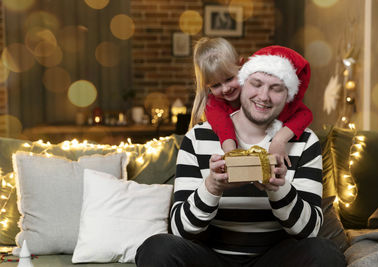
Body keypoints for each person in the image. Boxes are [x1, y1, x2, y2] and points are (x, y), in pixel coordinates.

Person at [135, 46, 346, 266]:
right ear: (243, 82)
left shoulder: (304, 141)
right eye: (256, 84)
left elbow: (310, 231)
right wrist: (212, 187)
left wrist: (278, 188)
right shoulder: (197, 138)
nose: (263, 96)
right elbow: (180, 229)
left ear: (288, 96)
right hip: (211, 258)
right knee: (157, 248)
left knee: (325, 252)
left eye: (276, 88)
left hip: (274, 258)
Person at [189, 37, 313, 166]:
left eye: (229, 78)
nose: (225, 89)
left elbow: (305, 113)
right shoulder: (213, 104)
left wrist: (279, 140)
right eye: (215, 86)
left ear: (242, 65)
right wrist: (232, 156)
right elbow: (223, 127)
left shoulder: (259, 93)